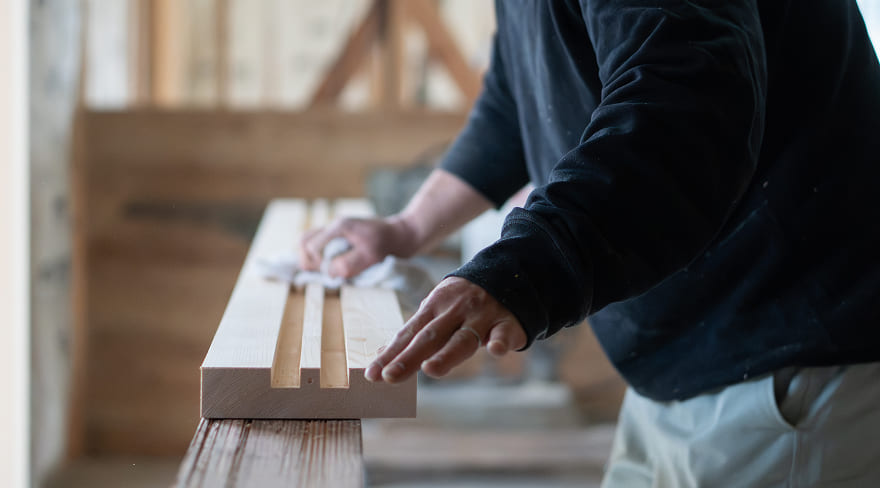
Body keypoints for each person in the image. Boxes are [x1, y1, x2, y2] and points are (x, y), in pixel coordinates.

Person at [301, 1, 880, 485]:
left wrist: (526, 271)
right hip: (686, 368)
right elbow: (517, 95)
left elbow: (684, 105)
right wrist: (407, 228)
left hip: (791, 367)